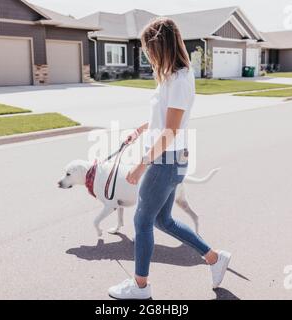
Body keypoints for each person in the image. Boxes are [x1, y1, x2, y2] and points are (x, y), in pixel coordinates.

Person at [108, 17, 231, 300]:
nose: (146, 54)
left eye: (147, 48)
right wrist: (141, 129)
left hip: (167, 159)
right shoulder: (171, 77)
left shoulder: (178, 79)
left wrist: (141, 165)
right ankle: (215, 258)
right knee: (162, 220)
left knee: (141, 220)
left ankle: (140, 287)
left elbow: (171, 130)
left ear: (159, 46)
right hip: (170, 157)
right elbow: (163, 119)